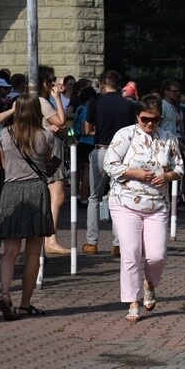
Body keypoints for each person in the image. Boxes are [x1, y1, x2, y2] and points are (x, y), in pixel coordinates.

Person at [104, 95, 184, 322]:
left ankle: (150, 283)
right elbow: (109, 163)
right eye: (145, 119)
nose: (150, 124)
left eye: (155, 119)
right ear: (137, 116)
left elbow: (179, 168)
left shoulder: (168, 138)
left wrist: (167, 176)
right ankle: (132, 301)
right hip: (125, 201)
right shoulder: (125, 135)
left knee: (156, 255)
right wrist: (134, 173)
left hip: (157, 204)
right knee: (130, 252)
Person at [0, 96, 48, 320]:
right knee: (33, 252)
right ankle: (26, 304)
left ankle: (6, 294)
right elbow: (49, 162)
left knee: (10, 252)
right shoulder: (46, 135)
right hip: (36, 190)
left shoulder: (4, 134)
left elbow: (3, 164)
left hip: (11, 191)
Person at [84, 71, 137, 256]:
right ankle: (117, 243)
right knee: (119, 197)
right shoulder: (128, 105)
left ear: (102, 85)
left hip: (101, 150)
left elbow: (87, 128)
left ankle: (92, 242)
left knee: (94, 197)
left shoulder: (95, 103)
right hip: (122, 154)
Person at [37, 67, 71, 255]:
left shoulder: (28, 100)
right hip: (52, 151)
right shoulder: (42, 101)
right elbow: (61, 122)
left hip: (40, 150)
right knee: (57, 195)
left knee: (48, 195)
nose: (53, 84)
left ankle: (46, 240)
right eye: (50, 80)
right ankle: (51, 239)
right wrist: (57, 99)